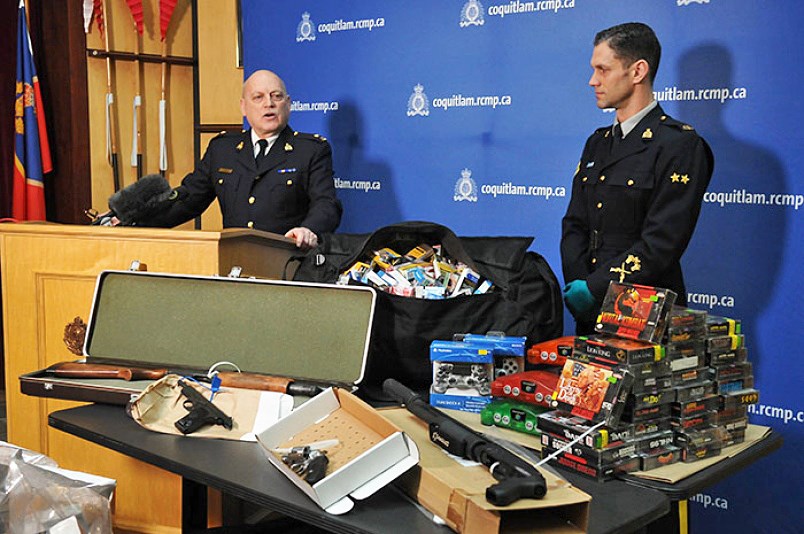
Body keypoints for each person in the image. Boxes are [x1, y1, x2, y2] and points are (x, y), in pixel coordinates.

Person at [561, 22, 714, 334]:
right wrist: (579, 288)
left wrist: (596, 288)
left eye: (603, 69)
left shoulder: (680, 145)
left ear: (637, 71)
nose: (593, 81)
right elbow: (575, 223)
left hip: (645, 318)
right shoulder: (597, 142)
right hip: (589, 317)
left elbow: (662, 242)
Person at [122, 69, 342, 249]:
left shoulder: (310, 150)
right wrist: (136, 222)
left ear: (288, 104)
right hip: (233, 264)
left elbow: (327, 204)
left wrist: (308, 230)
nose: (269, 104)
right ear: (243, 107)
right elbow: (188, 200)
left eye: (276, 96)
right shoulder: (222, 149)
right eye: (258, 97)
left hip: (287, 260)